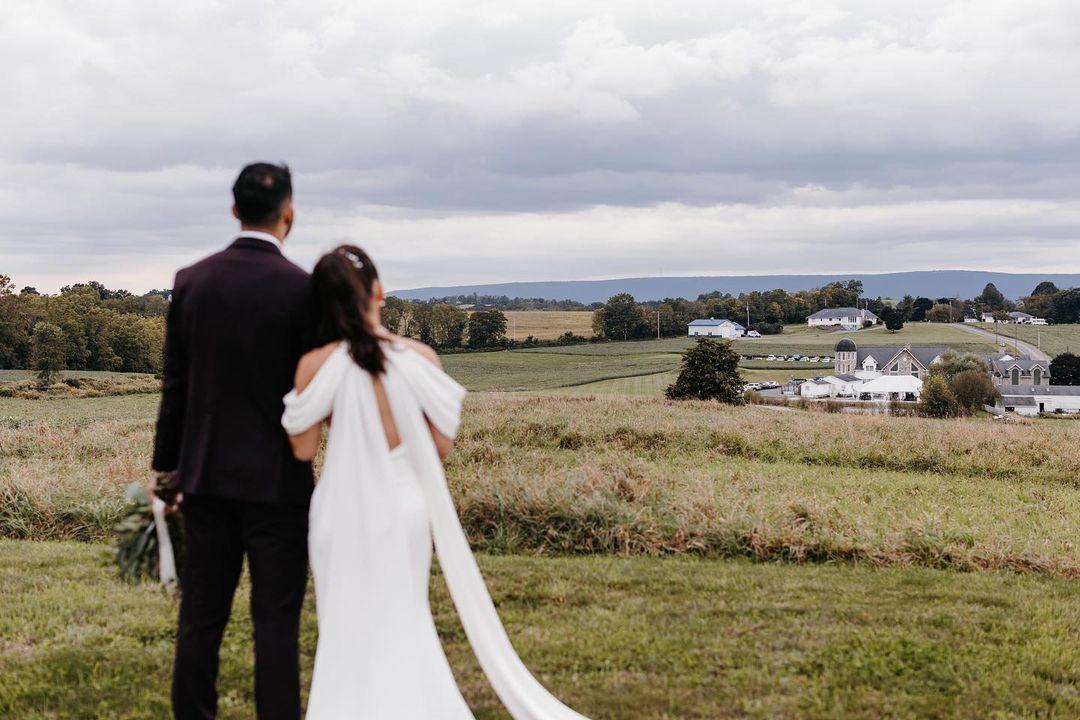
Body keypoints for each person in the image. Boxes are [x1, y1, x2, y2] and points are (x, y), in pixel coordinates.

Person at [281, 245, 589, 719]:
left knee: (343, 625)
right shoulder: (419, 358)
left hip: (339, 511)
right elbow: (440, 447)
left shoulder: (314, 364)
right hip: (403, 507)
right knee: (405, 615)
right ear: (379, 292)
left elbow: (302, 450)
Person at [152, 162, 313, 720]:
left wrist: (167, 470)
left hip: (205, 477)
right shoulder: (303, 288)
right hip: (279, 482)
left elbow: (175, 385)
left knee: (200, 617)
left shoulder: (191, 281)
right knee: (276, 622)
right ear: (289, 212)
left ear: (233, 209)